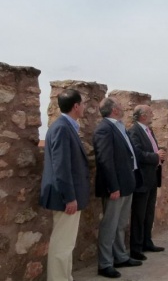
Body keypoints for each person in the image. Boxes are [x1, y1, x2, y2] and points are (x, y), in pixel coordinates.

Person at [39, 89, 90, 281]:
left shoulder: (66, 126)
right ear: (76, 106)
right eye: (83, 103)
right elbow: (61, 167)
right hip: (65, 197)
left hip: (68, 196)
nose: (85, 107)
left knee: (66, 244)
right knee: (62, 245)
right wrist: (70, 197)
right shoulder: (62, 128)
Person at [94, 98, 143, 279]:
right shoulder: (104, 129)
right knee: (110, 225)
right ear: (114, 110)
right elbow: (105, 160)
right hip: (115, 187)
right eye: (120, 106)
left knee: (121, 223)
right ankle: (105, 263)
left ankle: (121, 256)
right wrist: (112, 186)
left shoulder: (120, 127)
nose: (123, 108)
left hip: (126, 183)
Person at [128, 105, 166, 261]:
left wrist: (160, 154)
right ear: (142, 115)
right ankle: (136, 248)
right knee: (139, 214)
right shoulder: (134, 131)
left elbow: (151, 149)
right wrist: (156, 156)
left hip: (152, 178)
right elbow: (137, 154)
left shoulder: (148, 130)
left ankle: (147, 242)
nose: (153, 114)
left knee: (149, 213)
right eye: (150, 112)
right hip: (142, 179)